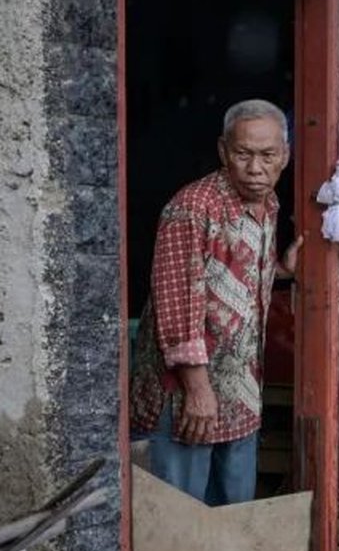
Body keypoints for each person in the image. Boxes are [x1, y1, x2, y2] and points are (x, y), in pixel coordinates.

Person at [130, 99, 303, 506]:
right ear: (224, 151)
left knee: (233, 516)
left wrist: (280, 269)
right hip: (186, 396)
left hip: (242, 394)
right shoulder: (191, 209)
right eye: (243, 154)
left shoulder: (269, 204)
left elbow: (230, 275)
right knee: (182, 519)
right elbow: (175, 303)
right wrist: (197, 390)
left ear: (286, 155)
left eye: (268, 155)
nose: (256, 168)